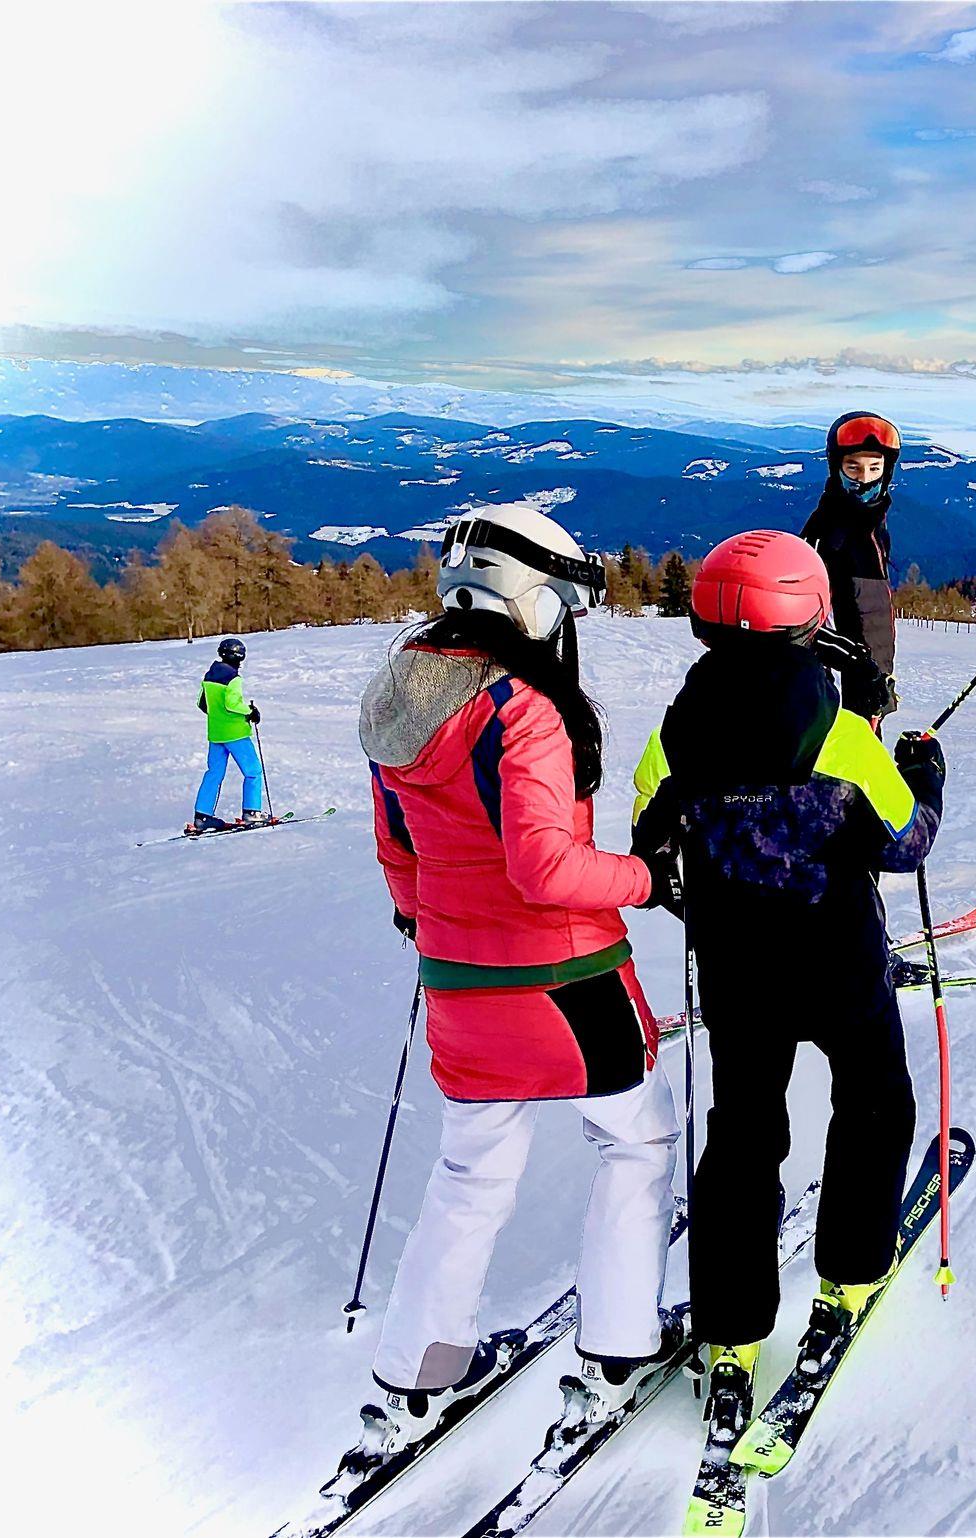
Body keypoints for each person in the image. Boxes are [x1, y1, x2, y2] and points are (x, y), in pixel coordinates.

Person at [355, 506, 686, 1453]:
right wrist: (648, 878)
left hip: (460, 987)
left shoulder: (403, 697)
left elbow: (399, 850)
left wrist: (428, 921)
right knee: (636, 1144)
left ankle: (420, 1371)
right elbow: (544, 868)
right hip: (566, 982)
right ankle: (618, 1352)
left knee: (471, 1173)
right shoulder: (522, 709)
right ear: (532, 601)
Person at [629, 529, 945, 1452]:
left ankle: (730, 1326)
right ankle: (852, 1270)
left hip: (737, 970)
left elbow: (651, 849)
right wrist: (924, 773)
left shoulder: (673, 735)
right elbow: (905, 842)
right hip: (839, 959)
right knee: (875, 1103)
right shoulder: (841, 737)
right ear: (809, 616)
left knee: (743, 1133)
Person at [800, 410, 903, 726]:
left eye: (875, 467)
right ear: (837, 468)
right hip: (837, 697)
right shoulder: (829, 531)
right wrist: (859, 670)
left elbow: (870, 610)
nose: (865, 478)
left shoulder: (871, 522)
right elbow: (806, 624)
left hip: (868, 682)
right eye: (853, 467)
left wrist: (879, 676)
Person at [188, 637, 273, 833]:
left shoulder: (209, 676)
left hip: (216, 734)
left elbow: (201, 703)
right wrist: (250, 711)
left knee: (214, 773)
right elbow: (232, 704)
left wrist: (218, 716)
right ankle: (252, 812)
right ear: (240, 657)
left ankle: (202, 816)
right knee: (253, 771)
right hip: (235, 734)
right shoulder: (233, 678)